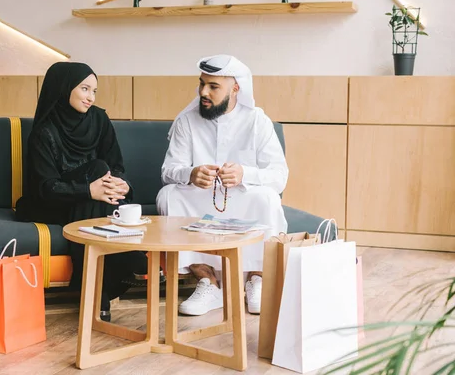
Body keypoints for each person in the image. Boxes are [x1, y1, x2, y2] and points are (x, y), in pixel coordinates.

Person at [156, 54, 289, 316]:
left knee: (268, 199)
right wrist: (190, 173)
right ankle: (208, 283)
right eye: (202, 84)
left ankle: (257, 280)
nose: (203, 92)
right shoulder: (187, 120)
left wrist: (244, 174)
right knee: (168, 195)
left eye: (213, 87)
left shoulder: (257, 121)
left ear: (236, 89)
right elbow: (168, 171)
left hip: (242, 199)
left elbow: (279, 176)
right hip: (200, 199)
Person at [15, 61, 147, 322]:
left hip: (92, 202)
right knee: (98, 169)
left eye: (94, 91)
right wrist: (88, 190)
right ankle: (126, 264)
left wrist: (123, 184)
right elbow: (45, 187)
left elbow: (117, 166)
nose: (90, 97)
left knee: (101, 170)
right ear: (64, 89)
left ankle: (97, 295)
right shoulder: (44, 131)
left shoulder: (99, 119)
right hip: (51, 203)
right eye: (85, 89)